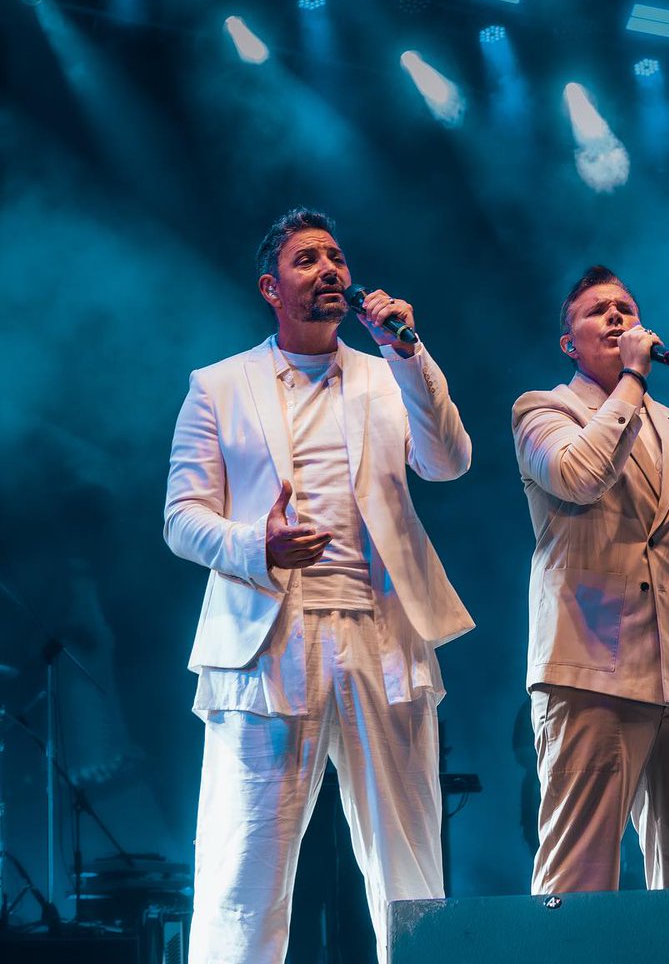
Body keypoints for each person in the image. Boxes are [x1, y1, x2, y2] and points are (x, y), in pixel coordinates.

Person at [164, 208, 473, 964]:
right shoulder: (218, 386)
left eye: (336, 257)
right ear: (272, 288)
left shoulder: (389, 373)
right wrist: (257, 544)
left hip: (383, 634)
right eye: (307, 259)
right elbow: (181, 518)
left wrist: (409, 351)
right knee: (244, 867)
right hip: (270, 642)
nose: (329, 269)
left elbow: (449, 461)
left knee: (410, 866)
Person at [512, 265, 669, 895]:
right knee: (577, 878)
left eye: (625, 309)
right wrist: (633, 379)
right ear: (570, 343)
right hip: (591, 665)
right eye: (598, 310)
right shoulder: (542, 410)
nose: (616, 316)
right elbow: (579, 476)